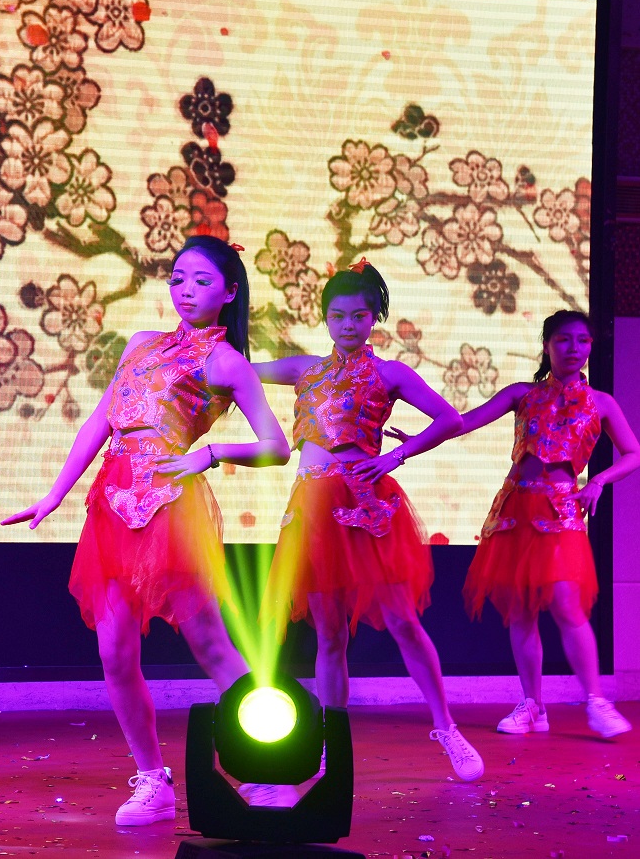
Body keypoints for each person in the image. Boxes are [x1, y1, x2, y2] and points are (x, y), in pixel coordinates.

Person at [3, 236, 290, 824]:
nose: (186, 290)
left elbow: (277, 446)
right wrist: (54, 494)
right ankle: (152, 781)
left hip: (172, 510)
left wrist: (210, 454)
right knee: (114, 652)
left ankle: (273, 767)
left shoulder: (226, 363)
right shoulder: (141, 344)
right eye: (178, 278)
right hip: (113, 507)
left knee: (211, 646)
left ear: (229, 292)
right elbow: (101, 421)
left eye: (202, 281)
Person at [253, 260, 482, 781]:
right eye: (337, 316)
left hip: (366, 505)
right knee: (330, 635)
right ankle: (331, 741)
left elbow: (450, 418)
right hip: (313, 510)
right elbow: (240, 371)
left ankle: (447, 727)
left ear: (374, 317)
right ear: (325, 318)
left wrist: (399, 455)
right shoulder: (305, 369)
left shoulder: (389, 373)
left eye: (358, 316)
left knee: (403, 621)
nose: (348, 325)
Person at [450, 310, 637, 738]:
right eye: (564, 339)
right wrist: (417, 441)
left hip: (562, 511)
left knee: (568, 605)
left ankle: (596, 701)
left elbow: (633, 453)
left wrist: (598, 481)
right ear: (547, 345)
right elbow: (466, 421)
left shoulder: (601, 402)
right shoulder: (523, 394)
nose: (574, 348)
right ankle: (532, 705)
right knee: (520, 612)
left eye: (583, 341)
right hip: (515, 510)